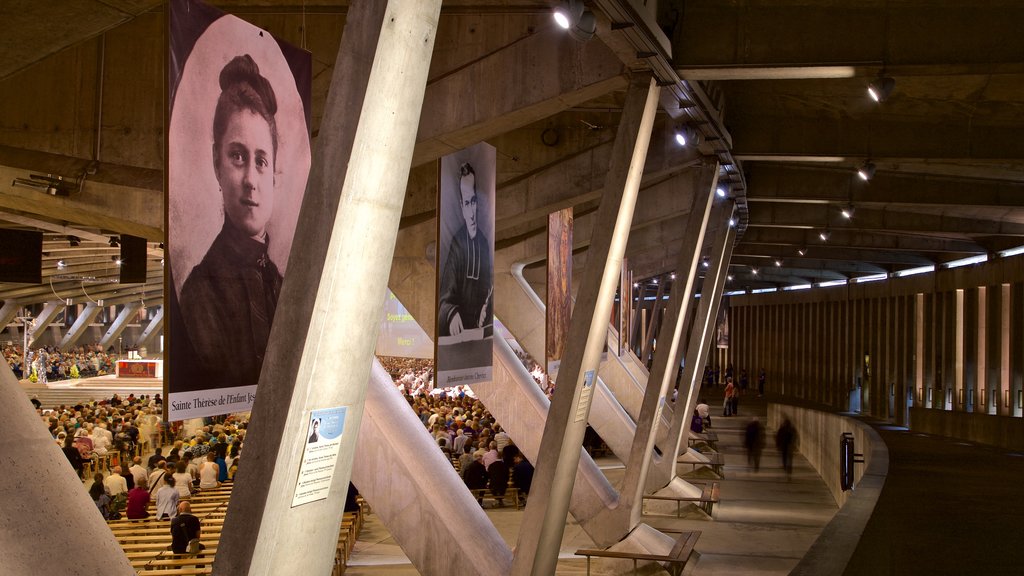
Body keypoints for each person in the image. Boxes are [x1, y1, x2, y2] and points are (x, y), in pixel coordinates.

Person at [177, 54, 286, 390]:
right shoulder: (199, 294)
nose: (251, 179)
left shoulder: (281, 285)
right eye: (238, 156)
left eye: (261, 160)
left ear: (273, 173)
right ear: (216, 163)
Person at [438, 162, 493, 337]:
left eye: (474, 202)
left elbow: (488, 289)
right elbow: (445, 296)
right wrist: (452, 313)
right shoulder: (457, 243)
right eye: (467, 203)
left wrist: (487, 307)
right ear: (462, 206)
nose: (471, 212)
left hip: (479, 333)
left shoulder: (484, 243)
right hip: (459, 336)